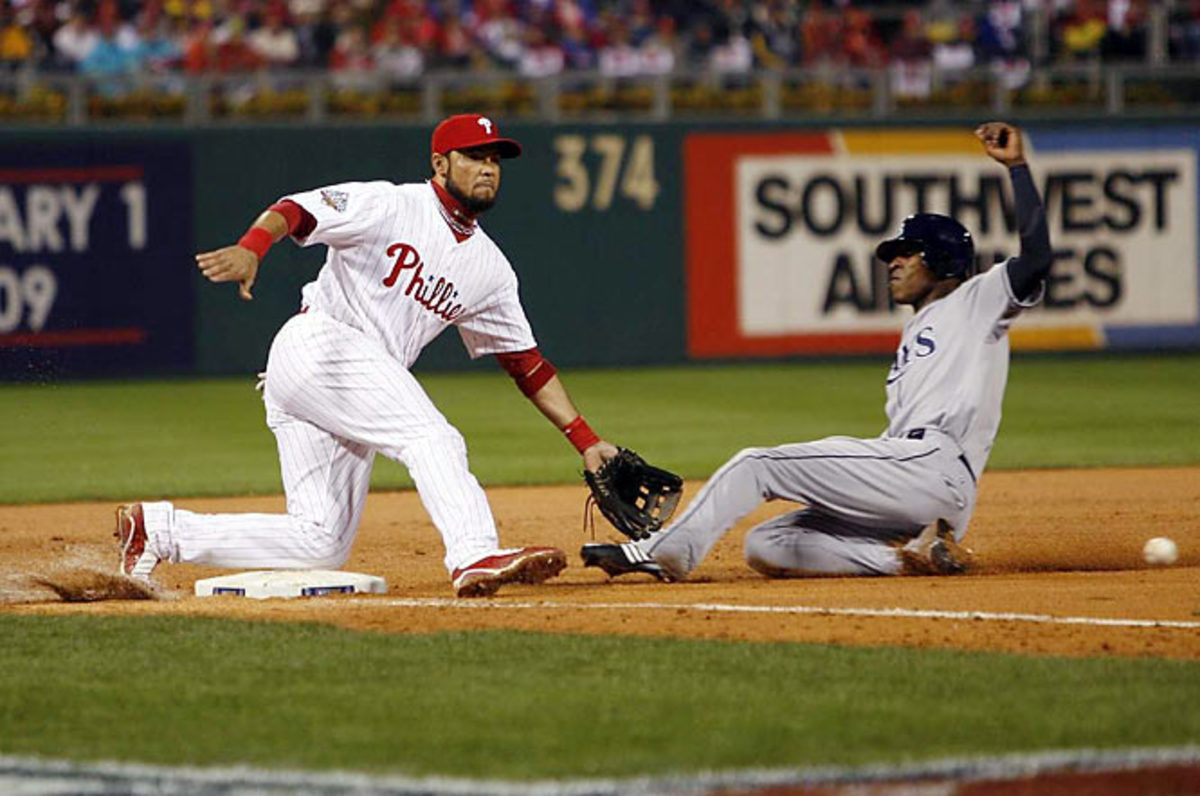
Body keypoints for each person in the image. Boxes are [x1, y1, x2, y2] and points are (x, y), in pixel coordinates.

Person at [117, 114, 620, 598]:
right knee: (432, 437)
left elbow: (526, 365)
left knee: (321, 541)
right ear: (440, 164)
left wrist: (586, 440)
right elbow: (296, 209)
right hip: (322, 344)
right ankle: (474, 553)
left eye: (495, 158)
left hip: (342, 380)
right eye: (473, 155)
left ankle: (159, 531)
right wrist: (253, 246)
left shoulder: (491, 269)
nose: (487, 167)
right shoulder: (391, 204)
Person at [583, 121, 1050, 582]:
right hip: (913, 482)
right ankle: (915, 558)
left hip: (931, 468)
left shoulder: (977, 300)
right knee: (767, 545)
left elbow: (1036, 260)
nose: (893, 262)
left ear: (943, 259)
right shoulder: (919, 327)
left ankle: (666, 552)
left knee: (756, 465)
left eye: (906, 252)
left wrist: (1017, 168)